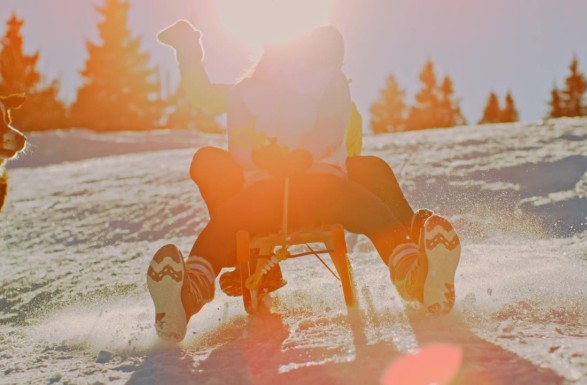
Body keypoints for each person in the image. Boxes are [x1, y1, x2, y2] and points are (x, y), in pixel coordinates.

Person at [147, 21, 461, 342]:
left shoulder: (332, 92)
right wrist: (262, 158)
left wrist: (308, 158)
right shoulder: (251, 91)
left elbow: (331, 133)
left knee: (367, 188)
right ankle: (189, 295)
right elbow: (237, 133)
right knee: (228, 217)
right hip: (268, 190)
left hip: (323, 185)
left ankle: (415, 265)